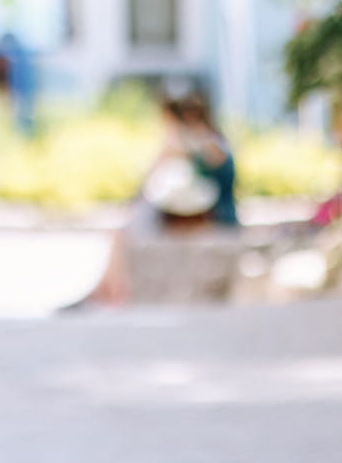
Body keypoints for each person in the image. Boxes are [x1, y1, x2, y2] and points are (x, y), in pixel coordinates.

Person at [79, 85, 240, 306]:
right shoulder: (199, 143)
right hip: (189, 213)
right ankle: (106, 289)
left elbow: (158, 178)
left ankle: (109, 291)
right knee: (120, 231)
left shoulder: (208, 144)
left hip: (213, 217)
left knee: (122, 231)